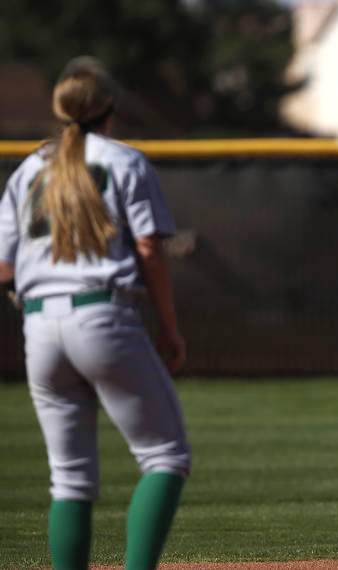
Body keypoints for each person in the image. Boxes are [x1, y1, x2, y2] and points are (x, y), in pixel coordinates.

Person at [0, 56, 191, 568]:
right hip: (103, 316)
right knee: (165, 457)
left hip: (39, 326)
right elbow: (149, 249)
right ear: (109, 110)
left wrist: (33, 303)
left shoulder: (29, 170)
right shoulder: (125, 160)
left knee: (70, 479)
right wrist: (169, 329)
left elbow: (3, 268)